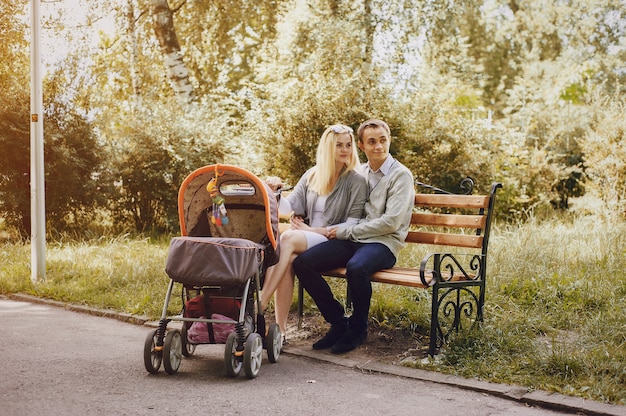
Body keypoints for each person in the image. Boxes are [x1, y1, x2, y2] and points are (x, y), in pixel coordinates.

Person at [293, 119, 415, 354]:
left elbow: (391, 222)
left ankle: (358, 329)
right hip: (354, 240)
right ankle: (339, 322)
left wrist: (344, 231)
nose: (378, 146)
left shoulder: (401, 176)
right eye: (372, 142)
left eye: (383, 140)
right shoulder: (360, 173)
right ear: (362, 145)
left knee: (356, 267)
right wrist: (306, 219)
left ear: (389, 141)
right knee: (303, 263)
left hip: (384, 243)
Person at [261, 124, 368, 339]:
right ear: (328, 148)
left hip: (334, 241)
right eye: (339, 145)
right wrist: (275, 192)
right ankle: (280, 330)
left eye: (348, 145)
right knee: (288, 259)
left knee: (288, 238)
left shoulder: (356, 181)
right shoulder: (312, 175)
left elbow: (353, 223)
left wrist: (315, 230)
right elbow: (287, 210)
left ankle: (259, 305)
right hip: (308, 238)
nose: (345, 150)